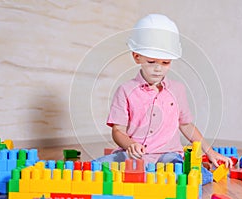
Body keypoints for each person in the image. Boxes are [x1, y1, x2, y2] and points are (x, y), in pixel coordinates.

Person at [96, 14, 233, 168]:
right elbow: (118, 130)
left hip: (168, 156)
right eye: (151, 61)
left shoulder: (178, 89)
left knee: (181, 171)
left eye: (165, 62)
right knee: (98, 167)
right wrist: (130, 145)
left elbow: (186, 125)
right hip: (133, 156)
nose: (158, 68)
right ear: (137, 57)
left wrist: (210, 152)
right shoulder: (125, 91)